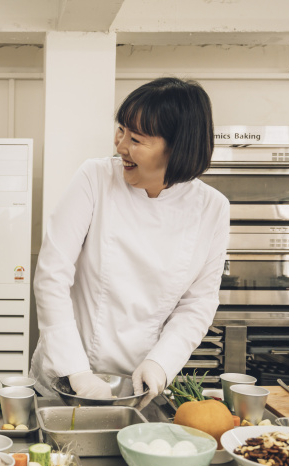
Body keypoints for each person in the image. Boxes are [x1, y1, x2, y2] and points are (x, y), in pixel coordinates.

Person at [30, 77, 229, 408]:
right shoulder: (94, 178)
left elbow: (198, 302)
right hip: (64, 379)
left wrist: (160, 364)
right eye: (120, 131)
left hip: (136, 387)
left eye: (136, 139)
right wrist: (77, 371)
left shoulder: (212, 208)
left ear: (177, 147)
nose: (120, 146)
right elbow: (52, 274)